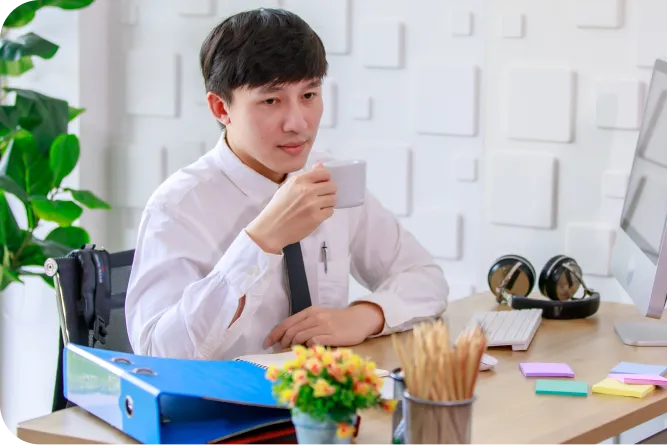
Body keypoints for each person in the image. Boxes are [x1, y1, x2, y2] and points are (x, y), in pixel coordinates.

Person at [124, 8, 449, 361]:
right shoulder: (178, 206)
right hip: (230, 396)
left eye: (309, 95)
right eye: (271, 100)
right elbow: (157, 352)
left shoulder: (329, 175)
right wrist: (261, 240)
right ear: (221, 108)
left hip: (323, 390)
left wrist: (365, 316)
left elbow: (425, 278)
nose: (298, 123)